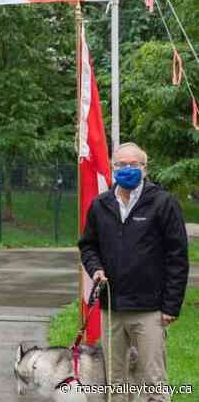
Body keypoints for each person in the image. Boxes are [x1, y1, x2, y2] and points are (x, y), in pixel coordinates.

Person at [78, 142, 189, 402]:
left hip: (149, 310)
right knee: (116, 382)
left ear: (145, 168)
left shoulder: (163, 203)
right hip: (112, 310)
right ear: (113, 167)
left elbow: (177, 258)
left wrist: (171, 306)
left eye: (133, 165)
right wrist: (95, 269)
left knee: (153, 381)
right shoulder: (100, 205)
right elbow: (88, 246)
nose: (127, 169)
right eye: (121, 165)